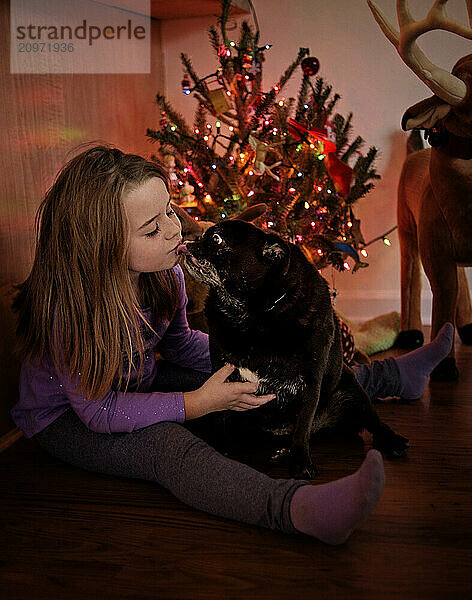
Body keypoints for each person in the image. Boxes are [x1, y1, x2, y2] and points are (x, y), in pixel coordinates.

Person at [10, 146, 454, 545]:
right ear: (102, 249)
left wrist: (264, 362)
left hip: (138, 383)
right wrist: (198, 403)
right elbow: (99, 410)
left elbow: (182, 345)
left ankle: (392, 377)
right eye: (151, 230)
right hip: (71, 418)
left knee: (261, 376)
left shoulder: (166, 273)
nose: (172, 231)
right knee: (167, 446)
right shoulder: (72, 316)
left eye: (169, 210)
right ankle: (295, 509)